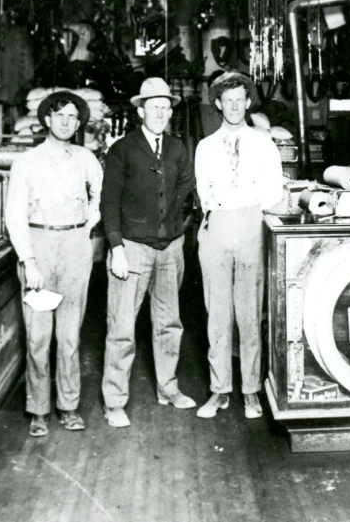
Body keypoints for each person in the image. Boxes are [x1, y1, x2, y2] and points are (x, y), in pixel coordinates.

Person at [100, 77, 197, 428]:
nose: (160, 112)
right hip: (133, 249)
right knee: (122, 327)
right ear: (140, 110)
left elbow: (186, 184)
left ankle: (167, 388)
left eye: (165, 107)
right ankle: (114, 401)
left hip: (170, 248)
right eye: (153, 106)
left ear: (170, 112)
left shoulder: (176, 148)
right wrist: (117, 247)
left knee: (170, 323)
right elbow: (108, 202)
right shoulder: (122, 150)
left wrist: (173, 222)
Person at [4, 90, 102, 437]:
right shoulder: (26, 162)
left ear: (79, 123)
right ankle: (39, 409)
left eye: (73, 117)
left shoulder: (86, 158)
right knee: (39, 335)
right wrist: (28, 260)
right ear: (46, 119)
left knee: (70, 334)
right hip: (39, 246)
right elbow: (14, 215)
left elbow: (99, 196)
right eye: (60, 115)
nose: (66, 122)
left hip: (75, 246)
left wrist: (86, 225)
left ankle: (69, 405)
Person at [194, 71, 285, 419]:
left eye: (239, 100)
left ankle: (250, 391)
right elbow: (204, 193)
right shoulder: (205, 147)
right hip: (216, 224)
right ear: (218, 104)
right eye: (226, 101)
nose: (233, 107)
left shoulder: (263, 143)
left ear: (247, 103)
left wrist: (246, 203)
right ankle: (219, 390)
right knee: (217, 313)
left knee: (249, 313)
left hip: (249, 222)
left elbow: (273, 191)